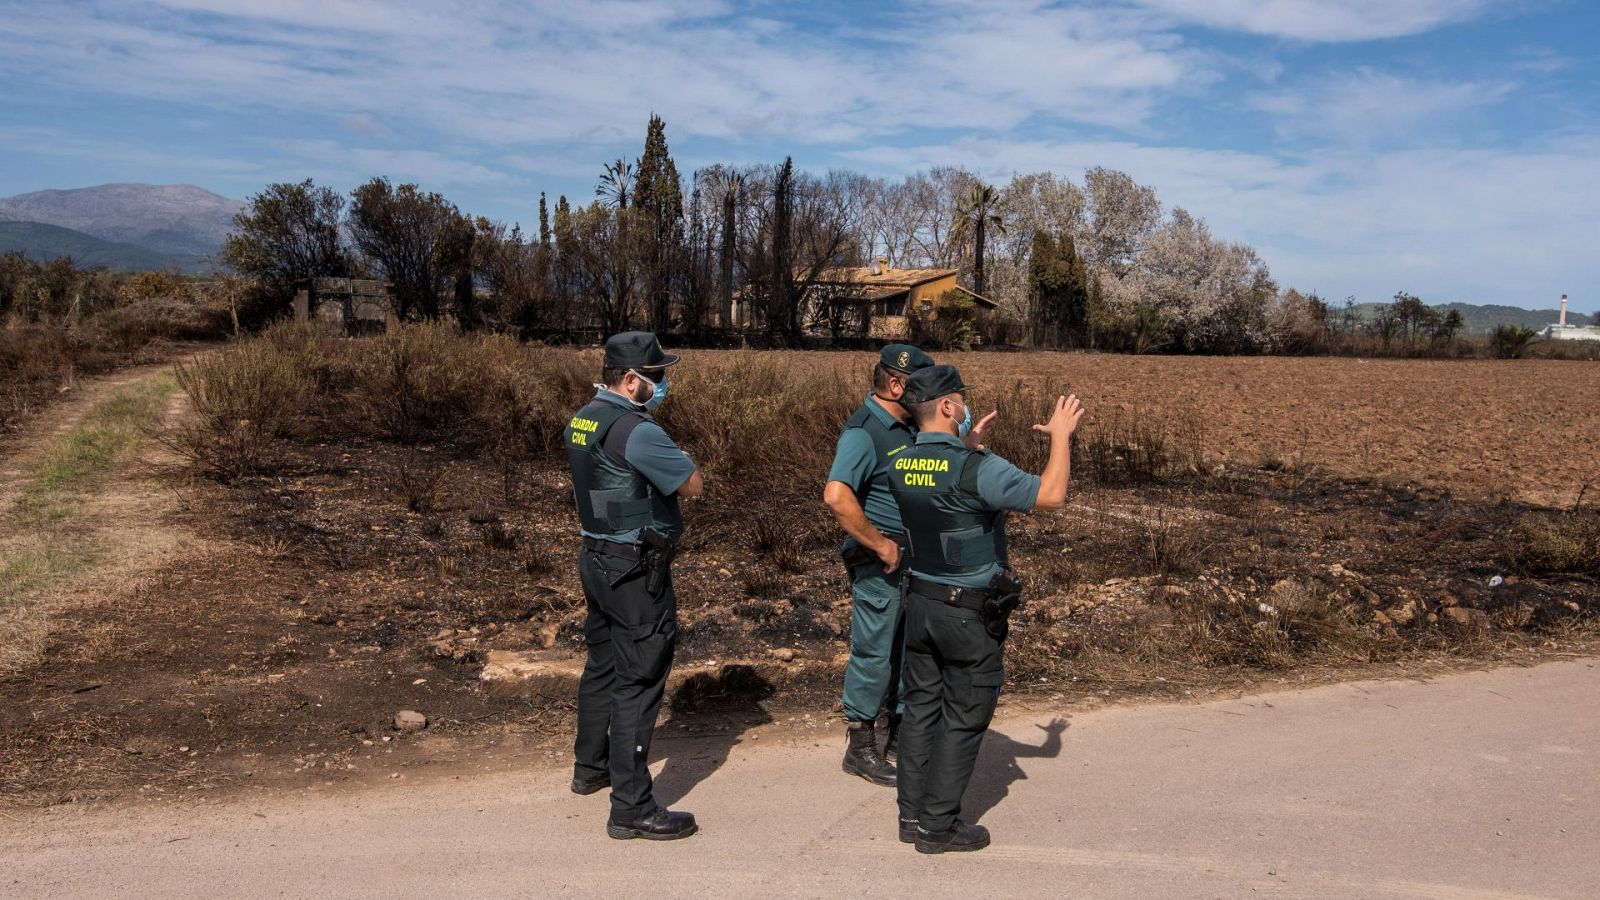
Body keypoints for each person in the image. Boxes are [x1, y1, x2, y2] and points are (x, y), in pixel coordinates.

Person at [887, 364, 1083, 854]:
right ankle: (938, 827)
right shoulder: (978, 469)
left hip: (920, 605)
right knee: (964, 716)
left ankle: (911, 817)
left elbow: (938, 483)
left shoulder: (899, 462)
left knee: (920, 713)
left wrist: (966, 444)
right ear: (949, 407)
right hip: (968, 614)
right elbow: (1052, 494)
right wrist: (1061, 437)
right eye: (960, 399)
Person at [823, 345, 995, 786]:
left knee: (907, 652)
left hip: (916, 563)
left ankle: (900, 735)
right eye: (918, 384)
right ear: (897, 385)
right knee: (874, 651)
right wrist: (881, 545)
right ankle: (860, 746)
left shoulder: (906, 427)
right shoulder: (864, 432)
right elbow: (837, 496)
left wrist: (966, 447)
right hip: (881, 564)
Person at [563, 331, 704, 841]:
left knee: (601, 664)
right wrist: (677, 456)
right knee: (639, 679)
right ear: (630, 380)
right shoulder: (637, 430)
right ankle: (631, 806)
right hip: (633, 567)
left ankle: (590, 767)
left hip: (595, 557)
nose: (663, 384)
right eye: (657, 376)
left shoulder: (583, 419)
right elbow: (691, 483)